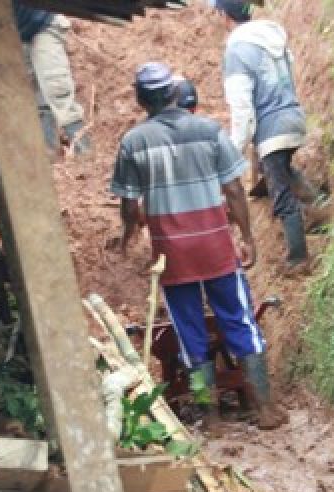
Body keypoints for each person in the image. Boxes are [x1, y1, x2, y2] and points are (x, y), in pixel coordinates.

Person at [110, 62, 287, 430]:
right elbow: (235, 189)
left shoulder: (133, 142)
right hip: (215, 246)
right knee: (240, 321)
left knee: (190, 334)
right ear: (174, 95)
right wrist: (247, 237)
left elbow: (129, 205)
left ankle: (210, 415)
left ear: (141, 100)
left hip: (171, 254)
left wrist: (129, 235)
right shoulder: (209, 131)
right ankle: (265, 408)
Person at [209, 0, 328, 272]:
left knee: (280, 191)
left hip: (272, 127)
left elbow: (243, 113)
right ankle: (320, 205)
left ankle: (298, 258)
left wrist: (233, 153)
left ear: (224, 15)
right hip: (293, 117)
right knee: (275, 168)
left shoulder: (237, 50)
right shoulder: (272, 38)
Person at [14, 2, 89, 156]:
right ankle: (49, 151)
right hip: (19, 33)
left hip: (44, 23)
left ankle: (83, 149)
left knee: (57, 88)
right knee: (36, 96)